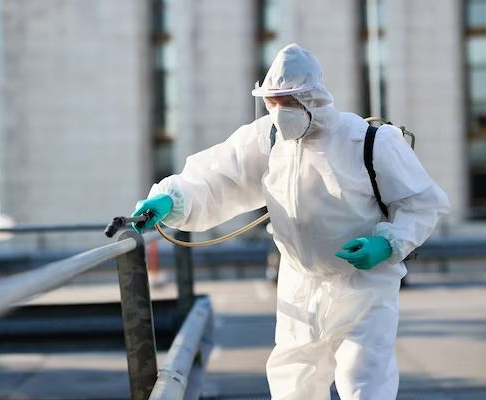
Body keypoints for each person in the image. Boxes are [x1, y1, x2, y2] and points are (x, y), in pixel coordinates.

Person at [132, 44, 450, 399]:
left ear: (312, 98)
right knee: (293, 386)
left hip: (364, 285)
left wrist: (387, 244)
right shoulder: (268, 139)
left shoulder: (369, 142)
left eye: (288, 101)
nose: (279, 111)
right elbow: (217, 178)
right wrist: (171, 199)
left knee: (364, 382)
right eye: (273, 102)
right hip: (299, 283)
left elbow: (422, 203)